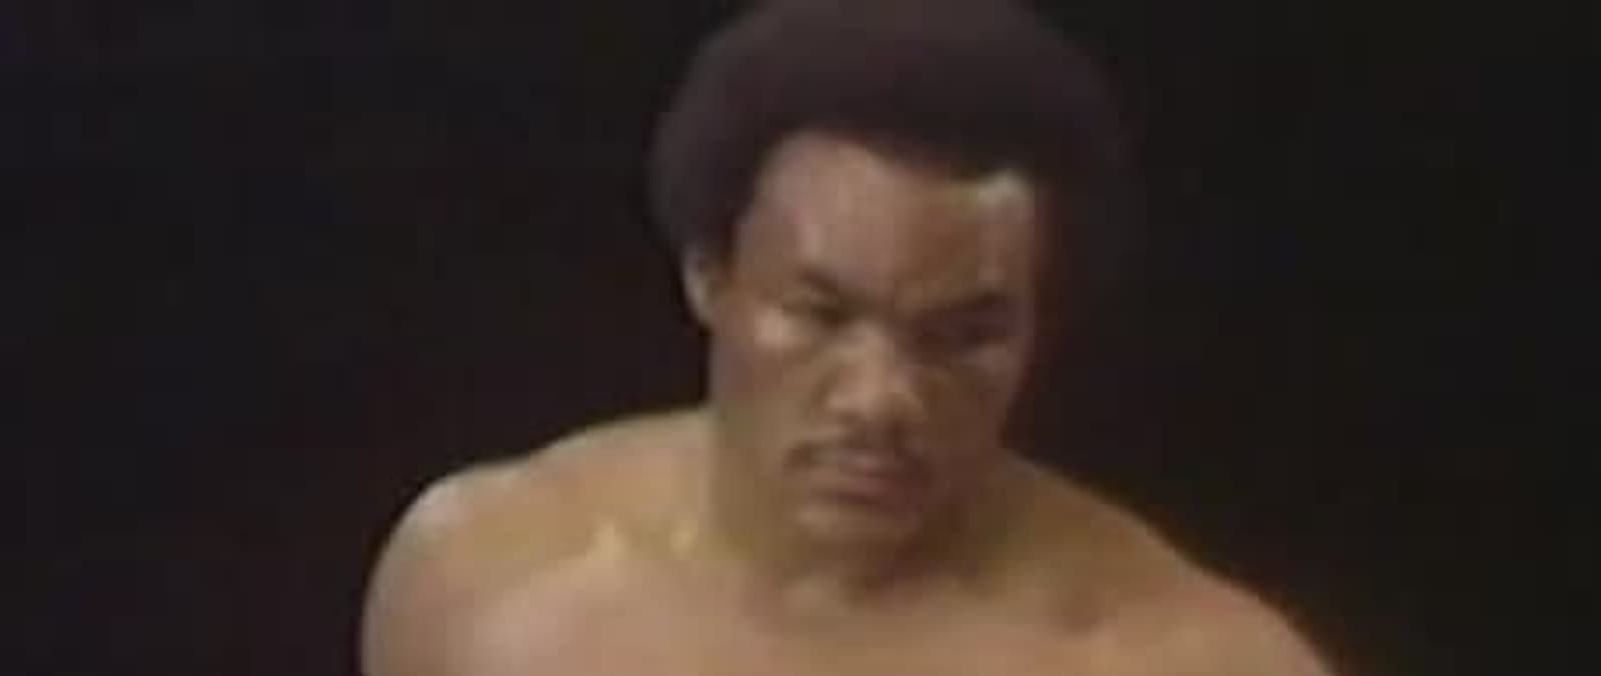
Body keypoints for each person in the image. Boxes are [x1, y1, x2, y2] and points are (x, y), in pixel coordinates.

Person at [360, 1, 1335, 674]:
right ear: (710, 276)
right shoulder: (488, 582)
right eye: (820, 315)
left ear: (1040, 326)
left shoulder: (1186, 658)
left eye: (963, 336)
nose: (880, 400)